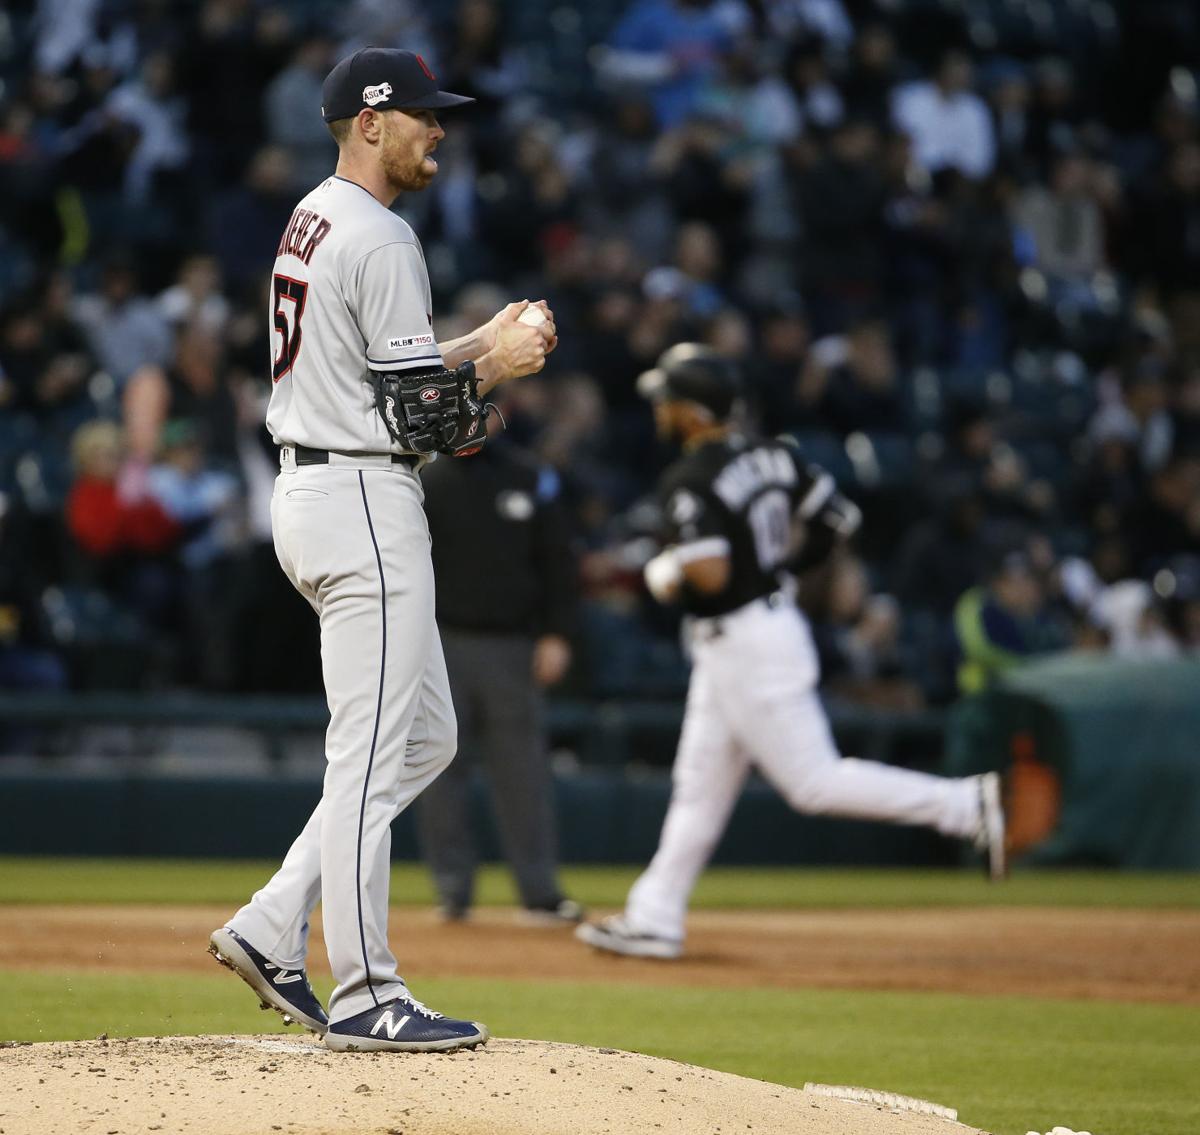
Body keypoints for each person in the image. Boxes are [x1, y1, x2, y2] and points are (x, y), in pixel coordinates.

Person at [207, 48, 556, 1053]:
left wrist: (470, 342)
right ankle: (366, 990)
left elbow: (380, 378)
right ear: (370, 121)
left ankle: (275, 922)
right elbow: (427, 425)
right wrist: (501, 366)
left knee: (425, 738)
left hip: (316, 483)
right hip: (362, 494)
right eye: (420, 115)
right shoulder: (384, 235)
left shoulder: (316, 216)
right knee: (367, 752)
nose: (437, 130)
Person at [576, 344, 1005, 961]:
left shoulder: (692, 478)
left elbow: (713, 576)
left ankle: (963, 805)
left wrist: (666, 570)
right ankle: (655, 915)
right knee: (698, 785)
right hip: (754, 635)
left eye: (669, 401)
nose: (661, 411)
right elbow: (838, 518)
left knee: (812, 782)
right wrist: (785, 570)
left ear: (695, 412)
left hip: (746, 641)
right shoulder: (776, 454)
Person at [417, 426, 580, 924]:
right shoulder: (425, 475)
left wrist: (558, 633)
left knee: (523, 773)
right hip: (439, 642)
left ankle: (539, 892)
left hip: (513, 645)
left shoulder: (530, 476)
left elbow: (559, 560)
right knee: (438, 771)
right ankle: (452, 892)